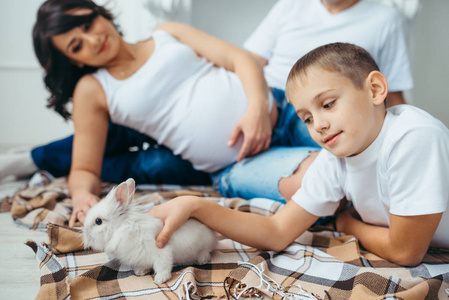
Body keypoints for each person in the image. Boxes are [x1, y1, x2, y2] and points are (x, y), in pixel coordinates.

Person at [17, 0, 320, 227]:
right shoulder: (93, 88)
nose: (93, 40)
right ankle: (30, 158)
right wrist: (83, 197)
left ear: (100, 14)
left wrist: (255, 110)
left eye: (87, 25)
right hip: (238, 163)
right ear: (73, 60)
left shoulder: (166, 33)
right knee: (322, 178)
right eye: (77, 45)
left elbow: (240, 59)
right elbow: (85, 168)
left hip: (280, 112)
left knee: (355, 145)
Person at [149, 43, 449, 266]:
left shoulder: (413, 136)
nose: (318, 125)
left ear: (375, 89)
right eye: (306, 118)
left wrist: (346, 224)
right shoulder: (335, 159)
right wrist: (195, 206)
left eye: (328, 104)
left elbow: (405, 251)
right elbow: (276, 231)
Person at [244, 0, 413, 107]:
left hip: (322, 111)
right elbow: (249, 62)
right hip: (263, 98)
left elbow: (392, 95)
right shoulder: (290, 5)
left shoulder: (386, 19)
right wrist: (258, 104)